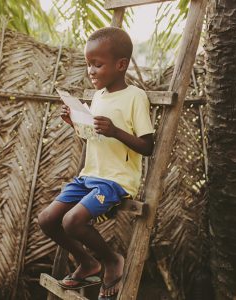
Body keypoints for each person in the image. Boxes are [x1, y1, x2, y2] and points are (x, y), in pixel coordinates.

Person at [38, 26, 154, 299]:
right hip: (90, 174)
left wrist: (115, 131)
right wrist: (76, 124)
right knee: (46, 220)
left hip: (116, 180)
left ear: (120, 65)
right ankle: (88, 262)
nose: (91, 70)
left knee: (72, 222)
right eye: (89, 64)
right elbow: (94, 137)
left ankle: (112, 260)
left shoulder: (135, 97)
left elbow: (148, 146)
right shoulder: (98, 97)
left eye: (97, 65)